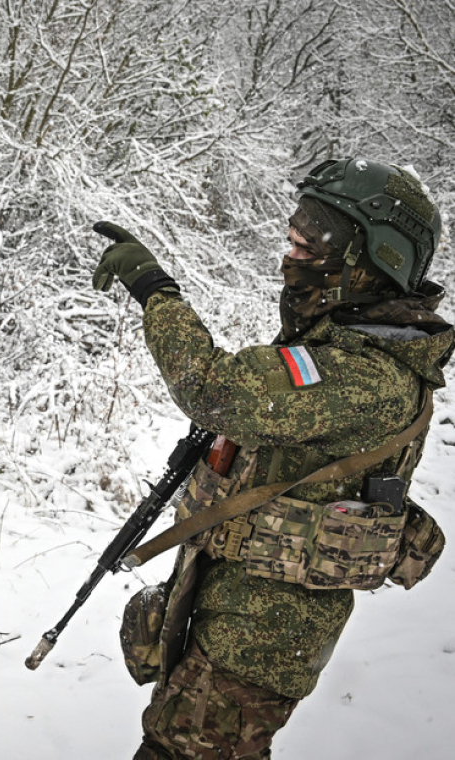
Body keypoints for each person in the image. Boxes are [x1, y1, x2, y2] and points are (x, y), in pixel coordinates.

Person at [92, 157, 453, 759]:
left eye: (311, 242)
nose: (292, 253)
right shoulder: (345, 348)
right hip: (236, 609)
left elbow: (215, 390)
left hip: (261, 636)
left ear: (372, 261)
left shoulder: (367, 374)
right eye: (294, 235)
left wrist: (157, 292)